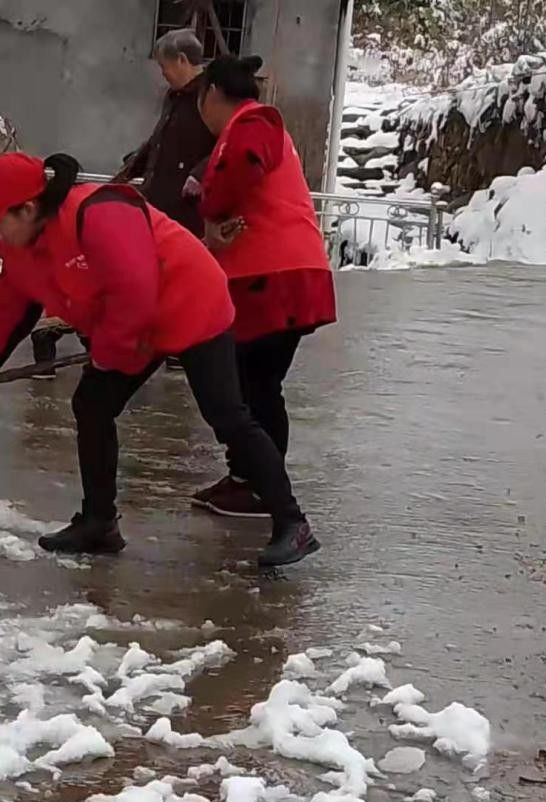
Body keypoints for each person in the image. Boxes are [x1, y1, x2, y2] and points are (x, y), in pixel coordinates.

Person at [0, 152, 320, 568]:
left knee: (226, 415)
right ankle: (99, 522)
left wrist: (110, 352)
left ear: (28, 208)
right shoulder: (22, 249)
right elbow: (2, 314)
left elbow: (134, 291)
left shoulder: (99, 214)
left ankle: (292, 523)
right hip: (134, 326)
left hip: (189, 302)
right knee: (92, 404)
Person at [190, 54, 337, 519]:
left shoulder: (253, 123)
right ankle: (248, 477)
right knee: (254, 385)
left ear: (212, 93)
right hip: (277, 276)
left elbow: (239, 171)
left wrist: (212, 209)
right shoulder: (256, 126)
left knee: (250, 385)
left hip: (273, 278)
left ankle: (257, 483)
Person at [119, 28, 219, 373]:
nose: (163, 73)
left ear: (182, 60)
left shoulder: (210, 95)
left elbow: (229, 142)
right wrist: (134, 165)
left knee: (183, 275)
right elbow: (159, 139)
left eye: (165, 66)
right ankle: (157, 338)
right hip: (158, 197)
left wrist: (201, 173)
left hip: (188, 205)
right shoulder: (174, 97)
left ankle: (184, 344)